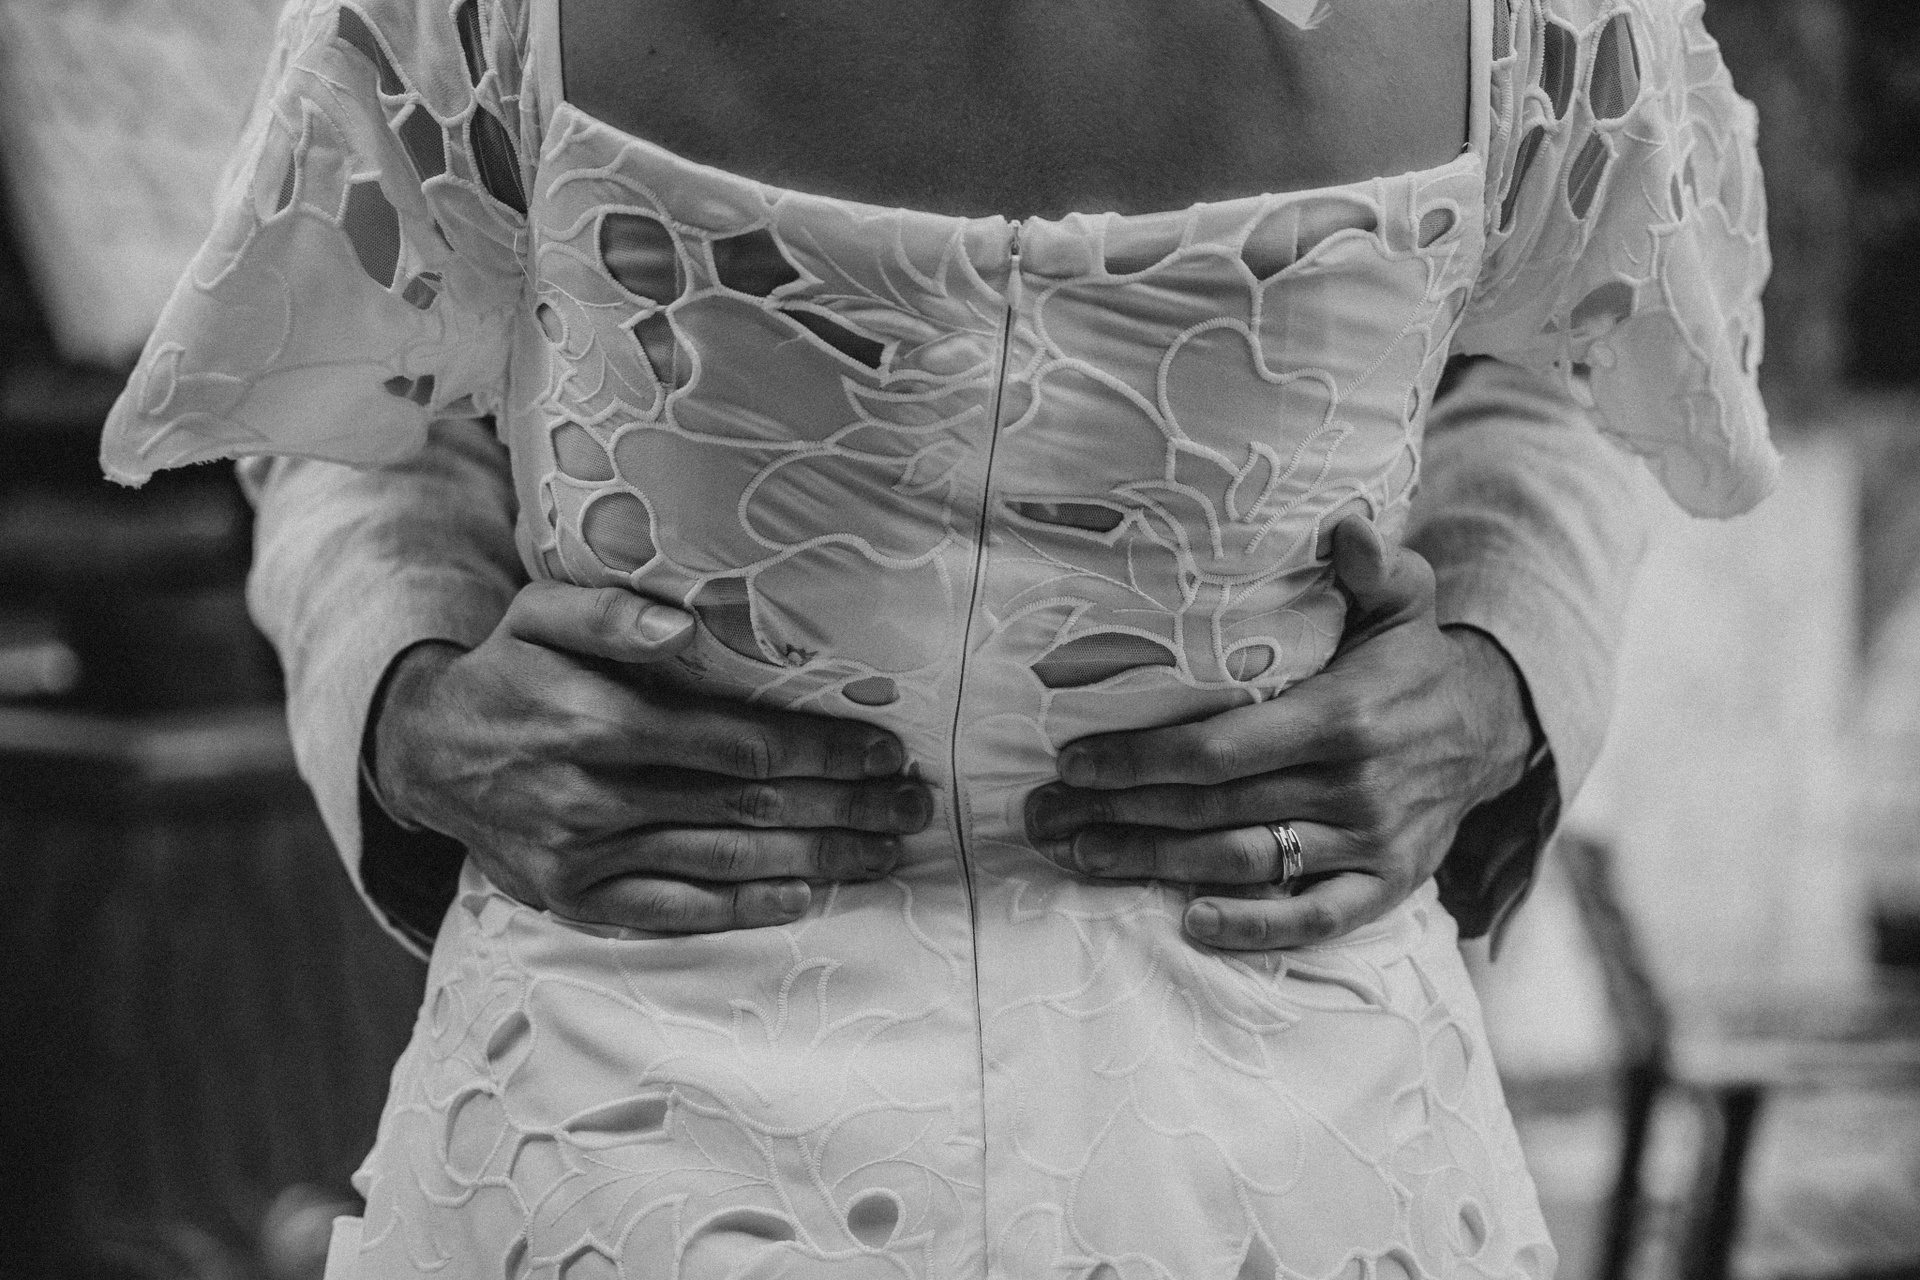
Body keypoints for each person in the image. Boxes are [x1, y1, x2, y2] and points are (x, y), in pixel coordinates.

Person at [102, 0, 1775, 1273]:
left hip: (712, 1127)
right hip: (712, 1121)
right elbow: (360, 385)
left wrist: (1497, 671)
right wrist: (408, 694)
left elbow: (1585, 361)